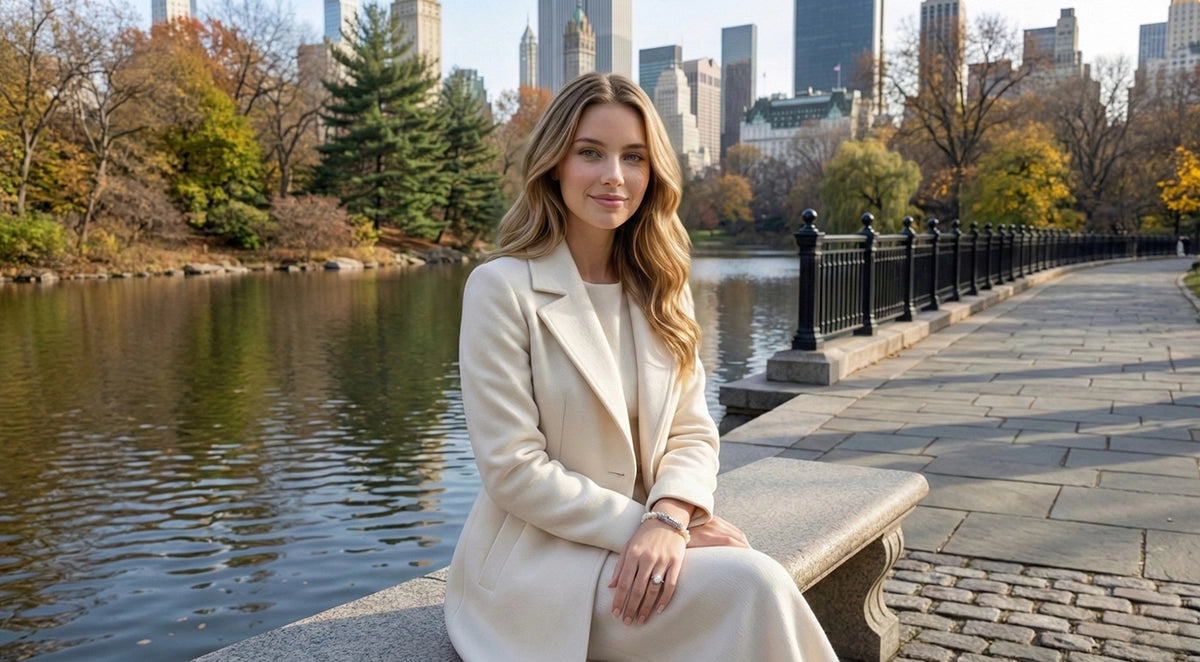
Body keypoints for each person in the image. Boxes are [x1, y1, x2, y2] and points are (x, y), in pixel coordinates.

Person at [443, 72, 837, 662]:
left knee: (751, 580)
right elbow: (514, 469)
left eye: (634, 157)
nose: (614, 176)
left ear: (654, 173)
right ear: (555, 164)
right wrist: (647, 527)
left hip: (652, 539)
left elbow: (693, 431)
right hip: (540, 564)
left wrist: (672, 513)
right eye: (590, 153)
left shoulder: (659, 287)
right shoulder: (501, 289)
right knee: (754, 585)